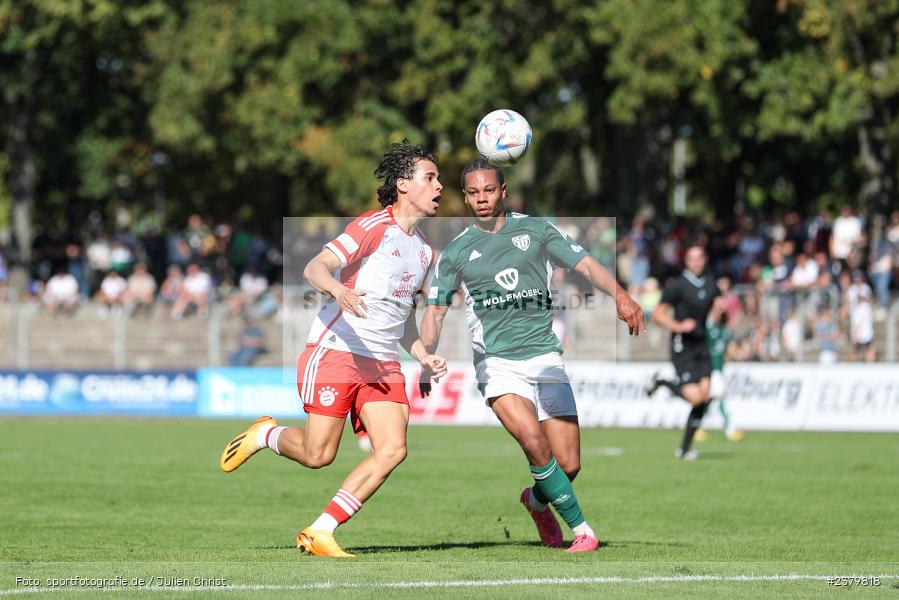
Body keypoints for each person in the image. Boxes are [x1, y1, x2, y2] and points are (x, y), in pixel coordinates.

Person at [219, 140, 447, 558]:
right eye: (429, 178)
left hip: (382, 363)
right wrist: (339, 289)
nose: (439, 186)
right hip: (337, 351)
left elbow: (404, 319)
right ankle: (265, 434)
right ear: (402, 185)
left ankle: (321, 530)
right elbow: (314, 267)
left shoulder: (424, 252)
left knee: (394, 449)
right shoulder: (372, 226)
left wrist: (422, 355)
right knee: (317, 454)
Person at [420, 159, 645, 554]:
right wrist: (426, 354)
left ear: (503, 190)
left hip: (544, 358)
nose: (481, 199)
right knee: (534, 443)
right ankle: (583, 531)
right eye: (473, 193)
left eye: (488, 190)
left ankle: (536, 501)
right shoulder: (456, 251)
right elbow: (435, 312)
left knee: (568, 464)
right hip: (497, 363)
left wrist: (621, 296)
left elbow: (587, 264)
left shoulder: (537, 230)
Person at [646, 245, 720, 460]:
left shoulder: (710, 284)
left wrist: (722, 312)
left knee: (704, 398)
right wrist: (678, 326)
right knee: (696, 399)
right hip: (683, 346)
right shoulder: (677, 286)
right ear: (686, 261)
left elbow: (719, 314)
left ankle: (685, 449)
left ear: (704, 259)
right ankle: (662, 382)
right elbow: (658, 315)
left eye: (699, 258)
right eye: (691, 258)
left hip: (702, 344)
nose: (696, 262)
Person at [700, 296, 744, 442]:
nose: (720, 312)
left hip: (719, 369)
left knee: (712, 399)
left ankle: (698, 427)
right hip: (711, 369)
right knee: (719, 398)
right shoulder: (708, 326)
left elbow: (730, 349)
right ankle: (729, 429)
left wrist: (736, 355)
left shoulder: (723, 329)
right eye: (718, 309)